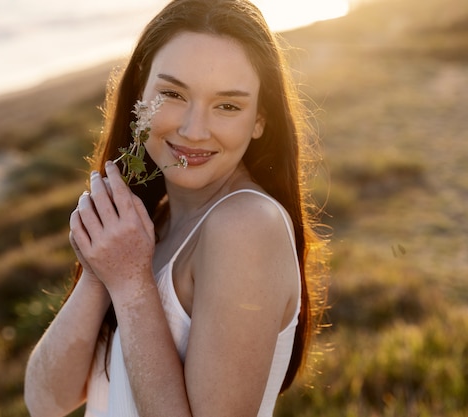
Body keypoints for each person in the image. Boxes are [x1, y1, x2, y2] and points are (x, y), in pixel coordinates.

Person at [24, 0, 328, 416]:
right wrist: (101, 272)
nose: (193, 130)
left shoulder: (246, 226)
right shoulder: (152, 221)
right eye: (172, 94)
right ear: (138, 98)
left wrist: (132, 286)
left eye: (228, 105)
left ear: (260, 119)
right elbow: (45, 401)